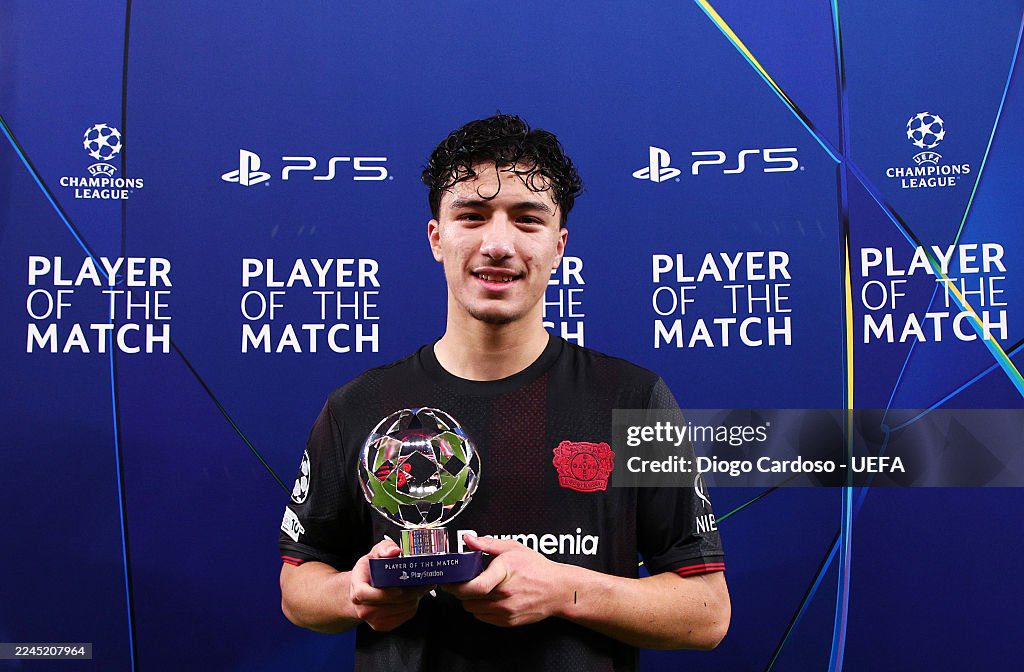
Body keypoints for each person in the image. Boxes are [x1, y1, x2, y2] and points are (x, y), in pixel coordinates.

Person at [278, 113, 729, 671]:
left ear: (559, 245)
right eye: (471, 216)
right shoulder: (358, 405)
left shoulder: (633, 398)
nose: (497, 244)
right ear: (436, 237)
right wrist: (353, 593)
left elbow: (707, 612)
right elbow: (299, 585)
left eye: (527, 219)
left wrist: (564, 591)